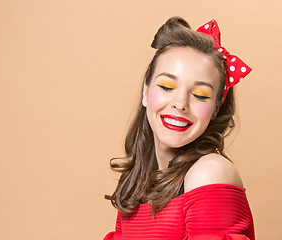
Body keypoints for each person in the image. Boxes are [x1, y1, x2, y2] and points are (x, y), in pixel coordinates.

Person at [104, 16, 255, 240]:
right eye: (167, 86)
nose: (180, 103)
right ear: (146, 91)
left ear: (216, 108)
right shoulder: (137, 186)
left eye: (200, 95)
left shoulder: (209, 173)